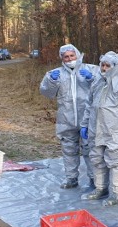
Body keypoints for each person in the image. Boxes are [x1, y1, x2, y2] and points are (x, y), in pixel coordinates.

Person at [80, 51, 118, 206]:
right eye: (102, 65)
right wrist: (84, 124)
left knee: (116, 161)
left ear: (115, 67)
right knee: (97, 159)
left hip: (115, 131)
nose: (104, 68)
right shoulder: (96, 83)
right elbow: (89, 106)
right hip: (96, 129)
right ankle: (101, 189)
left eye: (108, 65)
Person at [39, 44, 99, 189]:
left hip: (88, 119)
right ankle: (71, 178)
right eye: (66, 57)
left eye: (72, 56)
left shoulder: (92, 69)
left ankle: (94, 179)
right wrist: (52, 82)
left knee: (90, 150)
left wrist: (92, 79)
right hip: (66, 119)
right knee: (69, 150)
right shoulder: (55, 74)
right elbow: (47, 93)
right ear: (62, 58)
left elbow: (103, 90)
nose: (70, 59)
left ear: (77, 55)